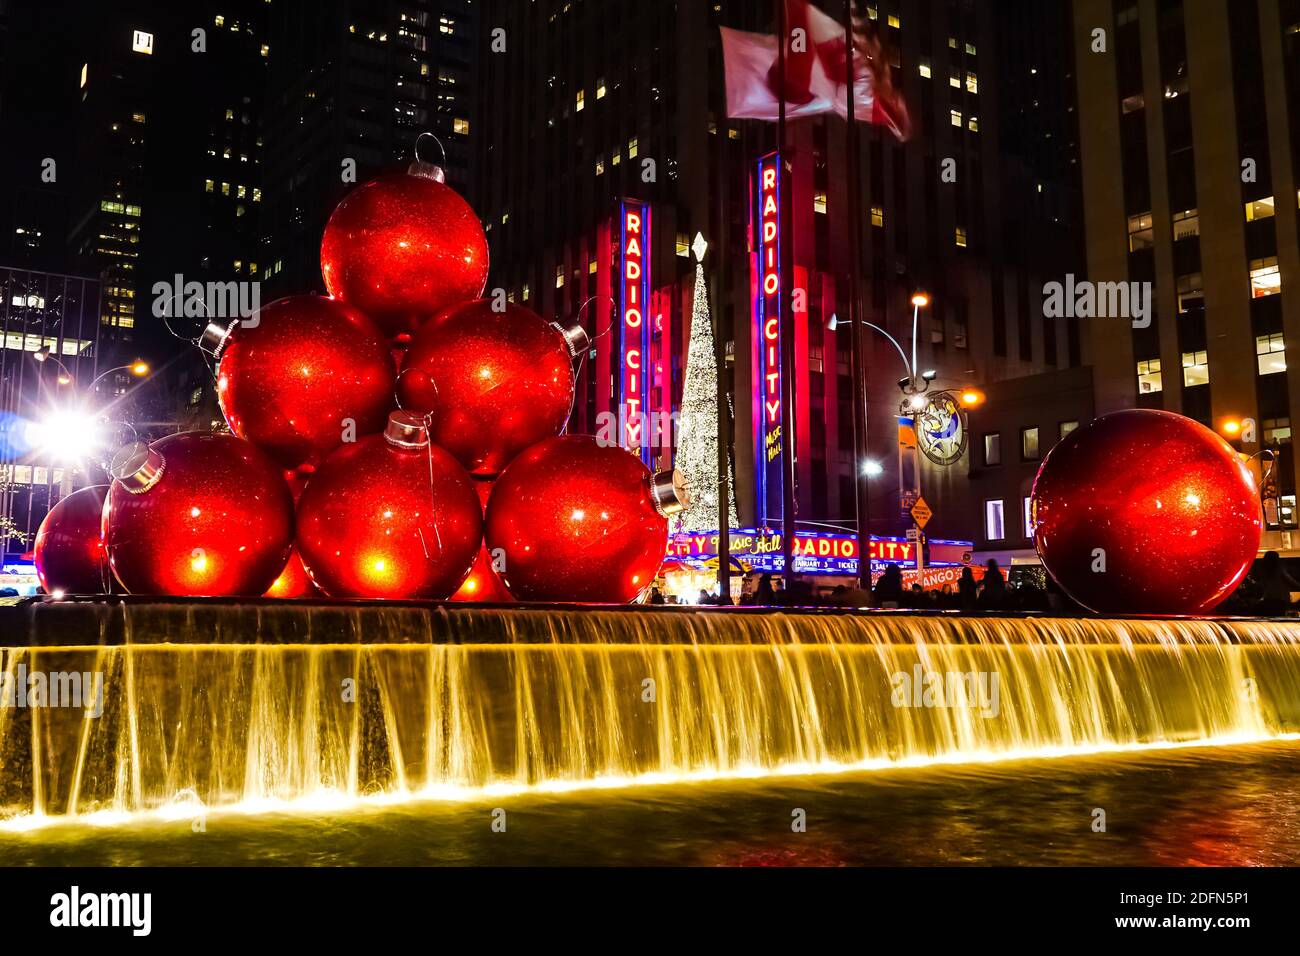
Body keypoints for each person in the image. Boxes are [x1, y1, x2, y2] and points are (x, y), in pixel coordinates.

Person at [1258, 550, 1298, 615]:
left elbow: (1263, 585)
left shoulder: (1264, 570)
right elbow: (1290, 581)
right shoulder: (1279, 570)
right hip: (1279, 600)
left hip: (1268, 599)